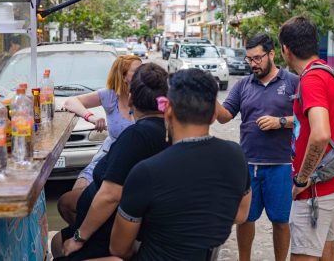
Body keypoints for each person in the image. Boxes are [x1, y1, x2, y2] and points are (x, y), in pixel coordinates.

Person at [108, 68, 251, 260]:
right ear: (212, 116)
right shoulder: (236, 155)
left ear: (168, 112)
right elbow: (241, 215)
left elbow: (118, 249)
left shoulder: (147, 171)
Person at [51, 63, 170, 260]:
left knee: (62, 246)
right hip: (122, 221)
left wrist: (79, 238)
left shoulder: (136, 136)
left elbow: (111, 196)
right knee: (58, 237)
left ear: (130, 98)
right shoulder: (168, 129)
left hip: (116, 229)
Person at [216, 34, 299, 261]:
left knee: (281, 221)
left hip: (282, 165)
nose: (253, 63)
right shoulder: (243, 85)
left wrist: (280, 121)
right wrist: (209, 96)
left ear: (272, 54)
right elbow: (224, 117)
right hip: (249, 165)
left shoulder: (292, 82)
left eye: (258, 58)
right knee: (245, 219)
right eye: (249, 59)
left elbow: (307, 118)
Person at [279, 16, 334, 260]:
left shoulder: (312, 79)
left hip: (315, 189)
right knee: (325, 248)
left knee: (304, 254)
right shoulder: (327, 71)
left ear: (285, 50)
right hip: (333, 181)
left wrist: (302, 179)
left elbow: (320, 134)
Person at [58, 55, 142, 225]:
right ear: (123, 75)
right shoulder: (110, 96)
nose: (143, 74)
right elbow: (70, 101)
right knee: (77, 195)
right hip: (108, 154)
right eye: (137, 71)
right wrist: (91, 117)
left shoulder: (146, 96)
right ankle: (87, 238)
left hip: (135, 158)